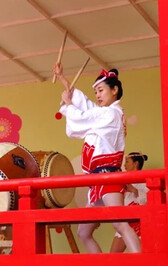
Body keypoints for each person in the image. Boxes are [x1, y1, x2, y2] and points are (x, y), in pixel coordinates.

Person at [54, 63, 141, 253]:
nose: (98, 95)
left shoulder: (111, 114)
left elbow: (84, 116)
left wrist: (69, 105)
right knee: (84, 232)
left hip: (108, 177)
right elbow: (87, 108)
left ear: (115, 89)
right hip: (97, 180)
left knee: (120, 225)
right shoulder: (106, 113)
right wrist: (62, 79)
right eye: (96, 92)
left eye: (101, 90)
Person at [110, 152, 148, 253]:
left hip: (140, 223)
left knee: (140, 255)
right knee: (113, 255)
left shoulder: (146, 180)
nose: (124, 165)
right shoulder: (124, 179)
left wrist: (135, 190)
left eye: (127, 162)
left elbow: (150, 200)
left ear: (136, 164)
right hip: (125, 221)